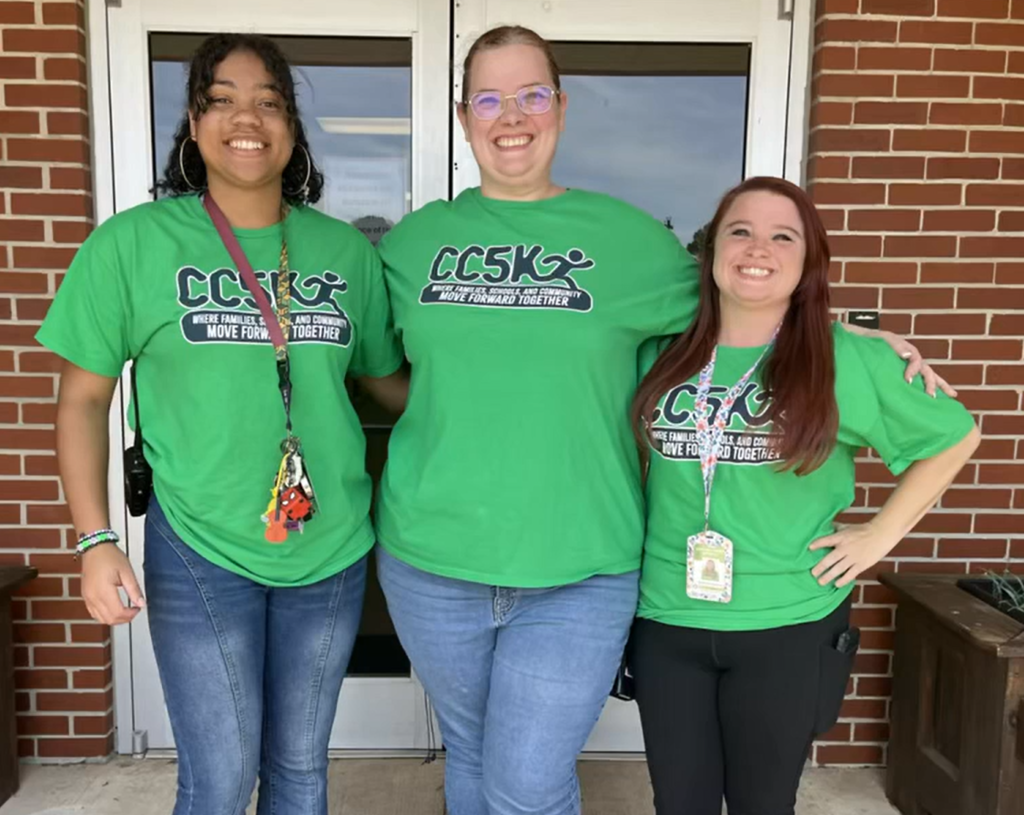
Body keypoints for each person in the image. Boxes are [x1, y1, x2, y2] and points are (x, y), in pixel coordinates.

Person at [373, 25, 946, 815]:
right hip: (430, 559)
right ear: (464, 114)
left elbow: (745, 289)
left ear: (562, 109)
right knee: (474, 752)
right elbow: (385, 372)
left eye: (533, 94)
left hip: (580, 565)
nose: (513, 115)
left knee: (527, 778)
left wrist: (844, 330)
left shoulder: (630, 242)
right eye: (491, 97)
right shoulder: (411, 245)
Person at [37, 34, 405, 815]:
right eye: (224, 99)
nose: (249, 117)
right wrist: (94, 540)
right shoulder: (133, 245)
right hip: (200, 546)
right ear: (195, 123)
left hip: (331, 544)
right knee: (220, 778)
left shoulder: (345, 253)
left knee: (302, 771)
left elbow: (386, 383)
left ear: (294, 127)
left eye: (270, 101)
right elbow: (80, 401)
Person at [629, 176, 980, 815]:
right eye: (740, 231)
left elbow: (955, 437)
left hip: (787, 623)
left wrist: (881, 534)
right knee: (679, 805)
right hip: (666, 620)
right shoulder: (660, 351)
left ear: (808, 260)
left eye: (781, 236)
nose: (757, 248)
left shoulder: (844, 358)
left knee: (766, 805)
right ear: (710, 253)